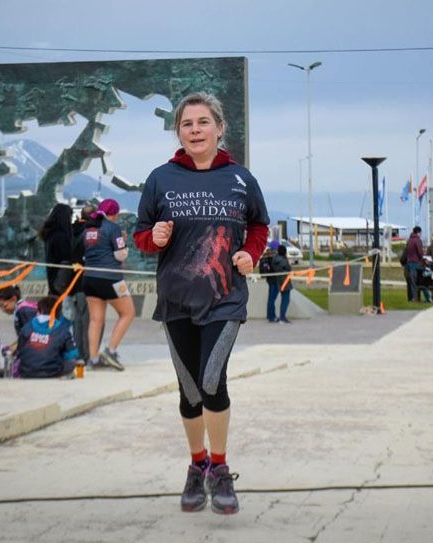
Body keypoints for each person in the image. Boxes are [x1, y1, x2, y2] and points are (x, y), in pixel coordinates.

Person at [133, 92, 269, 515]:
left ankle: (220, 468)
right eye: (187, 124)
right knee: (190, 391)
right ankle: (198, 465)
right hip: (176, 299)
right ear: (179, 132)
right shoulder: (161, 178)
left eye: (203, 122)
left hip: (225, 297)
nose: (195, 130)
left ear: (219, 128)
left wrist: (251, 254)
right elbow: (141, 234)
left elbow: (259, 226)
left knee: (212, 380)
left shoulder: (241, 178)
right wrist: (153, 238)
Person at [82, 198, 133, 371]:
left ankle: (94, 359)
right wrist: (124, 243)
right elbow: (120, 255)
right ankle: (111, 351)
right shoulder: (113, 228)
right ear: (114, 213)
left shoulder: (88, 229)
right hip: (111, 278)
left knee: (95, 319)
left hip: (89, 278)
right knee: (128, 313)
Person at [16, 296, 80, 378]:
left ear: (39, 311)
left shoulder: (26, 327)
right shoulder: (62, 329)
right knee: (71, 362)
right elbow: (72, 354)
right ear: (58, 313)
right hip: (52, 371)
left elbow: (20, 350)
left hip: (26, 371)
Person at [70, 202, 96, 361]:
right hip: (89, 282)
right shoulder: (91, 233)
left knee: (77, 321)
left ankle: (78, 354)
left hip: (73, 283)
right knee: (90, 321)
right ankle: (88, 355)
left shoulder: (71, 231)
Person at [40, 203, 75, 297]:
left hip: (52, 279)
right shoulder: (61, 237)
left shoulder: (50, 234)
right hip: (60, 283)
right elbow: (65, 260)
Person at [271, 244, 293, 323]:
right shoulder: (283, 260)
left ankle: (280, 316)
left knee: (279, 299)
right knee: (285, 300)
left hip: (278, 280)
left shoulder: (275, 259)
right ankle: (282, 317)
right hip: (285, 281)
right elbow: (289, 268)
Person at [403, 226, 424, 302]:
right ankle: (415, 297)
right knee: (416, 281)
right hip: (415, 263)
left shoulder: (409, 240)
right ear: (418, 232)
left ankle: (410, 297)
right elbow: (420, 252)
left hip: (408, 263)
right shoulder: (417, 240)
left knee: (410, 282)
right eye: (421, 233)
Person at [260, 241, 279, 322]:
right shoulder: (274, 256)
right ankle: (272, 316)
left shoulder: (266, 255)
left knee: (271, 298)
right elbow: (275, 268)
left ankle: (270, 315)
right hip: (274, 279)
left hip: (269, 279)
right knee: (272, 299)